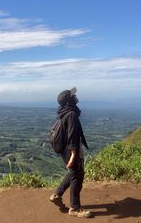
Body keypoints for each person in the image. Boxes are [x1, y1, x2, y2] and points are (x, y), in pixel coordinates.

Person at [49, 87, 92, 218]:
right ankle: (75, 208)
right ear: (69, 100)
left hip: (64, 149)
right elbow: (72, 135)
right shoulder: (72, 114)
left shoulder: (64, 112)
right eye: (73, 96)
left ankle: (57, 195)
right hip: (71, 149)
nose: (76, 96)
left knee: (74, 173)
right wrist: (74, 155)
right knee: (77, 177)